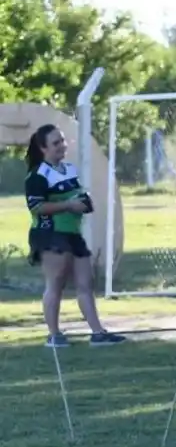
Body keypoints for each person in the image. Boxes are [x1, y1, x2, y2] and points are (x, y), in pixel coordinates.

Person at [24, 124, 126, 348]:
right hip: (50, 235)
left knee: (85, 283)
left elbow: (78, 195)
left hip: (73, 234)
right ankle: (54, 335)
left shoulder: (69, 169)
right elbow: (36, 207)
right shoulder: (38, 175)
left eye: (62, 140)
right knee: (55, 284)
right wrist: (69, 205)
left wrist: (84, 202)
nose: (62, 145)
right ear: (43, 148)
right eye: (56, 143)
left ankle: (98, 333)